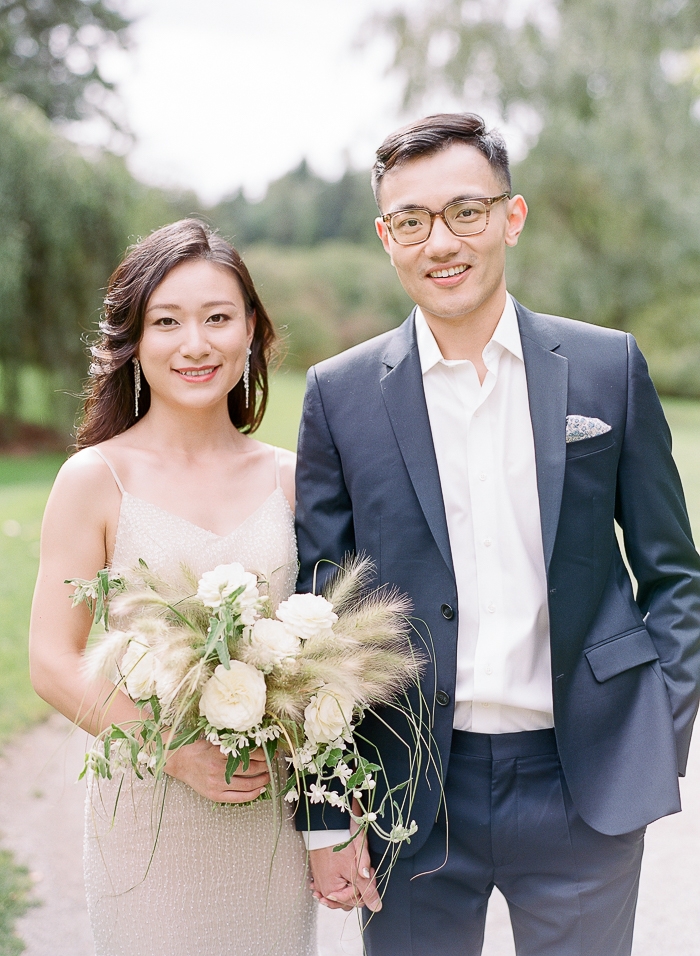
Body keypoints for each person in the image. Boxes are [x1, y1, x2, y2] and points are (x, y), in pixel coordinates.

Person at [294, 113, 700, 955]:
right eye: (412, 221)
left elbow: (675, 577)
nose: (440, 241)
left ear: (510, 217)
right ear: (385, 236)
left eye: (465, 212)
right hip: (410, 789)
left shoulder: (606, 368)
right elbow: (318, 620)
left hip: (581, 780)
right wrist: (328, 813)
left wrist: (656, 727)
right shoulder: (339, 396)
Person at [29, 220, 316, 956]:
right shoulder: (96, 480)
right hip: (147, 813)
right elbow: (52, 662)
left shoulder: (293, 476)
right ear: (134, 339)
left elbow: (322, 661)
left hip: (265, 819)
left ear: (250, 331)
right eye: (167, 321)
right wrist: (175, 750)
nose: (196, 344)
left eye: (218, 318)